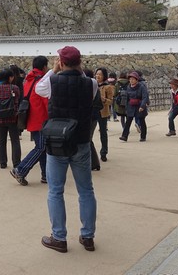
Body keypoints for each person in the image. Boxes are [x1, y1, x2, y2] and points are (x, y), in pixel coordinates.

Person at [35, 46, 97, 253]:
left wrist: (54, 70)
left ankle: (59, 237)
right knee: (86, 190)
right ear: (80, 62)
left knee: (55, 190)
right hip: (81, 141)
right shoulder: (92, 83)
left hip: (58, 142)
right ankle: (87, 236)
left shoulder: (52, 82)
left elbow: (38, 89)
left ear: (61, 62)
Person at [11, 55, 49, 185]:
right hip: (41, 120)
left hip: (31, 118)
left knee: (43, 148)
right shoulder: (41, 82)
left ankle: (45, 175)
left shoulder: (28, 81)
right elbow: (46, 102)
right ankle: (20, 170)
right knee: (41, 147)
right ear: (44, 67)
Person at [0, 68, 22, 169]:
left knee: (1, 140)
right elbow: (18, 99)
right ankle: (16, 162)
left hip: (0, 118)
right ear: (10, 78)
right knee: (15, 140)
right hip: (13, 118)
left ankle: (2, 162)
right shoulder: (14, 88)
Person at [119, 71, 149, 142]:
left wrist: (142, 106)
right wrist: (126, 107)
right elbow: (127, 98)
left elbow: (145, 97)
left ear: (136, 79)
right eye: (130, 79)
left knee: (142, 121)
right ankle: (124, 136)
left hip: (139, 106)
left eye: (133, 79)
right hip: (131, 106)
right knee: (128, 121)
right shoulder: (128, 87)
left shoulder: (141, 87)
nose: (131, 80)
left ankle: (143, 136)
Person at [95, 67, 113, 162]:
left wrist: (104, 99)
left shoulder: (108, 87)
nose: (98, 76)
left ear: (104, 76)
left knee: (103, 132)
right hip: (93, 111)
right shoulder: (93, 85)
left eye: (100, 74)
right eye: (97, 74)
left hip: (102, 112)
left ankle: (104, 152)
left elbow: (110, 101)